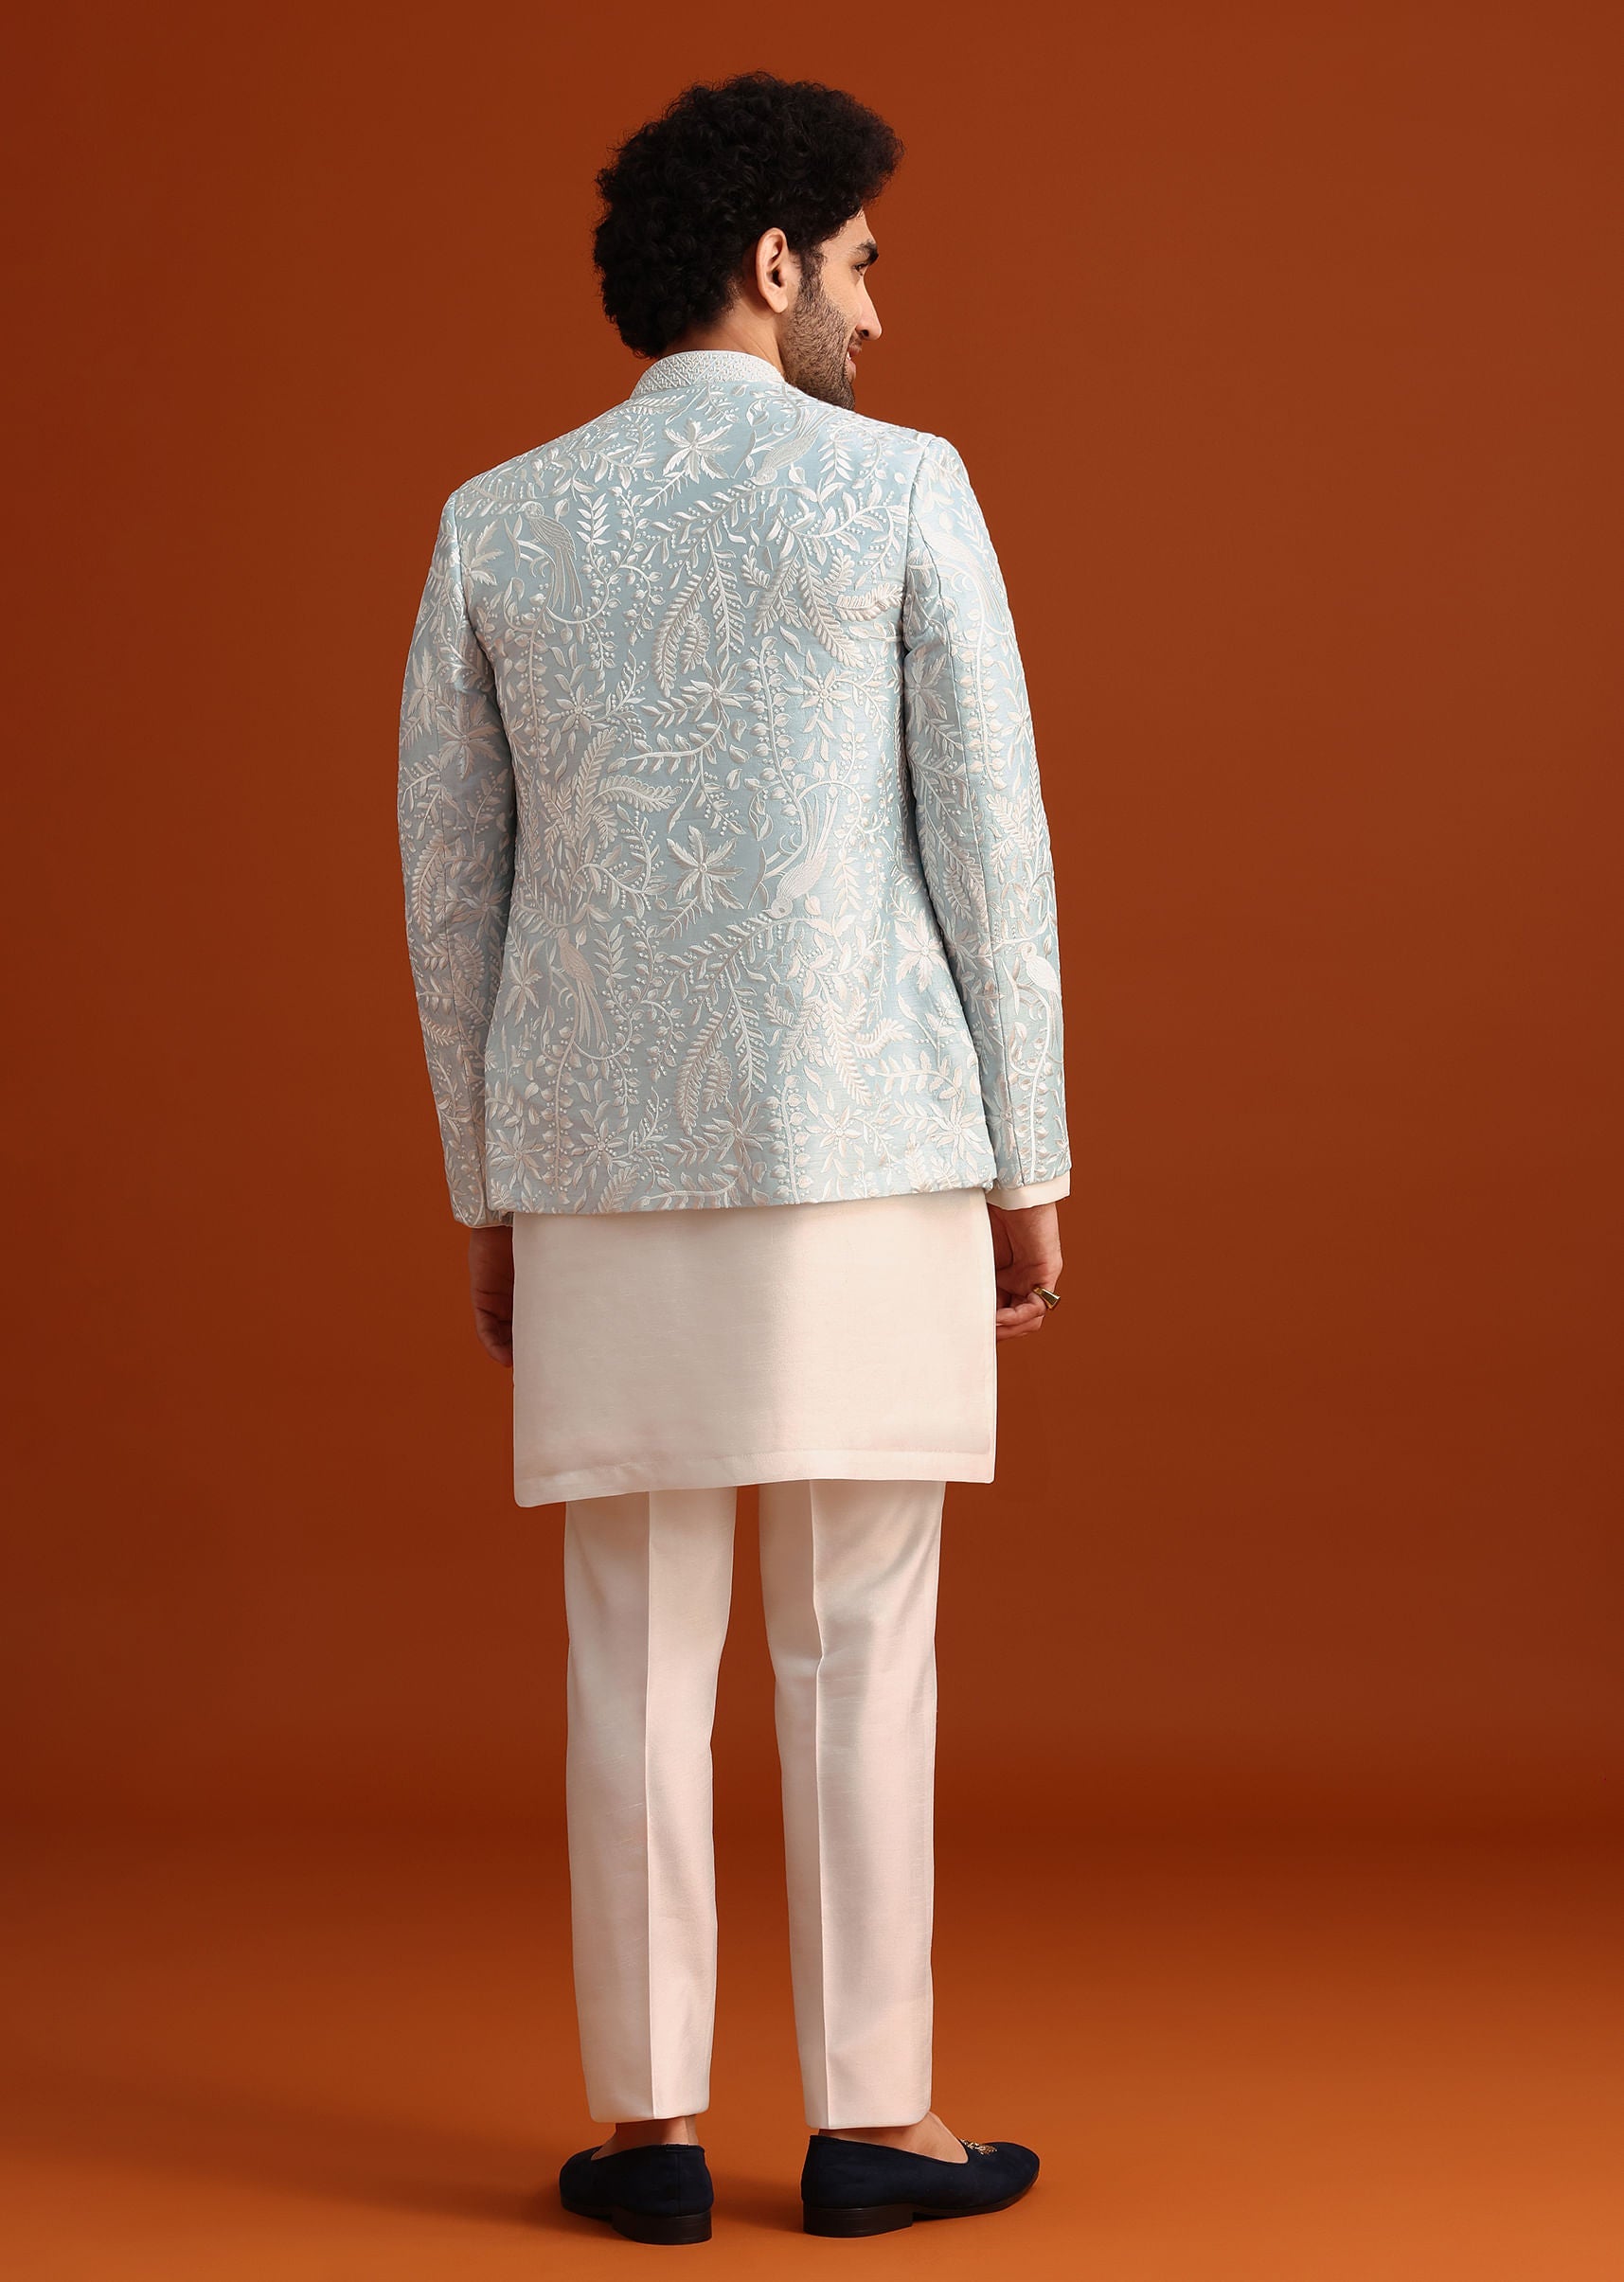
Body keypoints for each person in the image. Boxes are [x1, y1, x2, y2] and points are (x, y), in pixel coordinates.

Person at [397, 70, 1068, 2245]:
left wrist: (485, 1188)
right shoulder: (902, 487)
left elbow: (451, 890)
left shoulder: (500, 520)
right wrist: (1030, 1161)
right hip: (870, 1139)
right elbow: (990, 846)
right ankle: (877, 2118)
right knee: (862, 1633)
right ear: (773, 264)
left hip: (598, 1156)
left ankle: (646, 2130)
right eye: (860, 262)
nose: (878, 306)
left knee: (631, 1643)